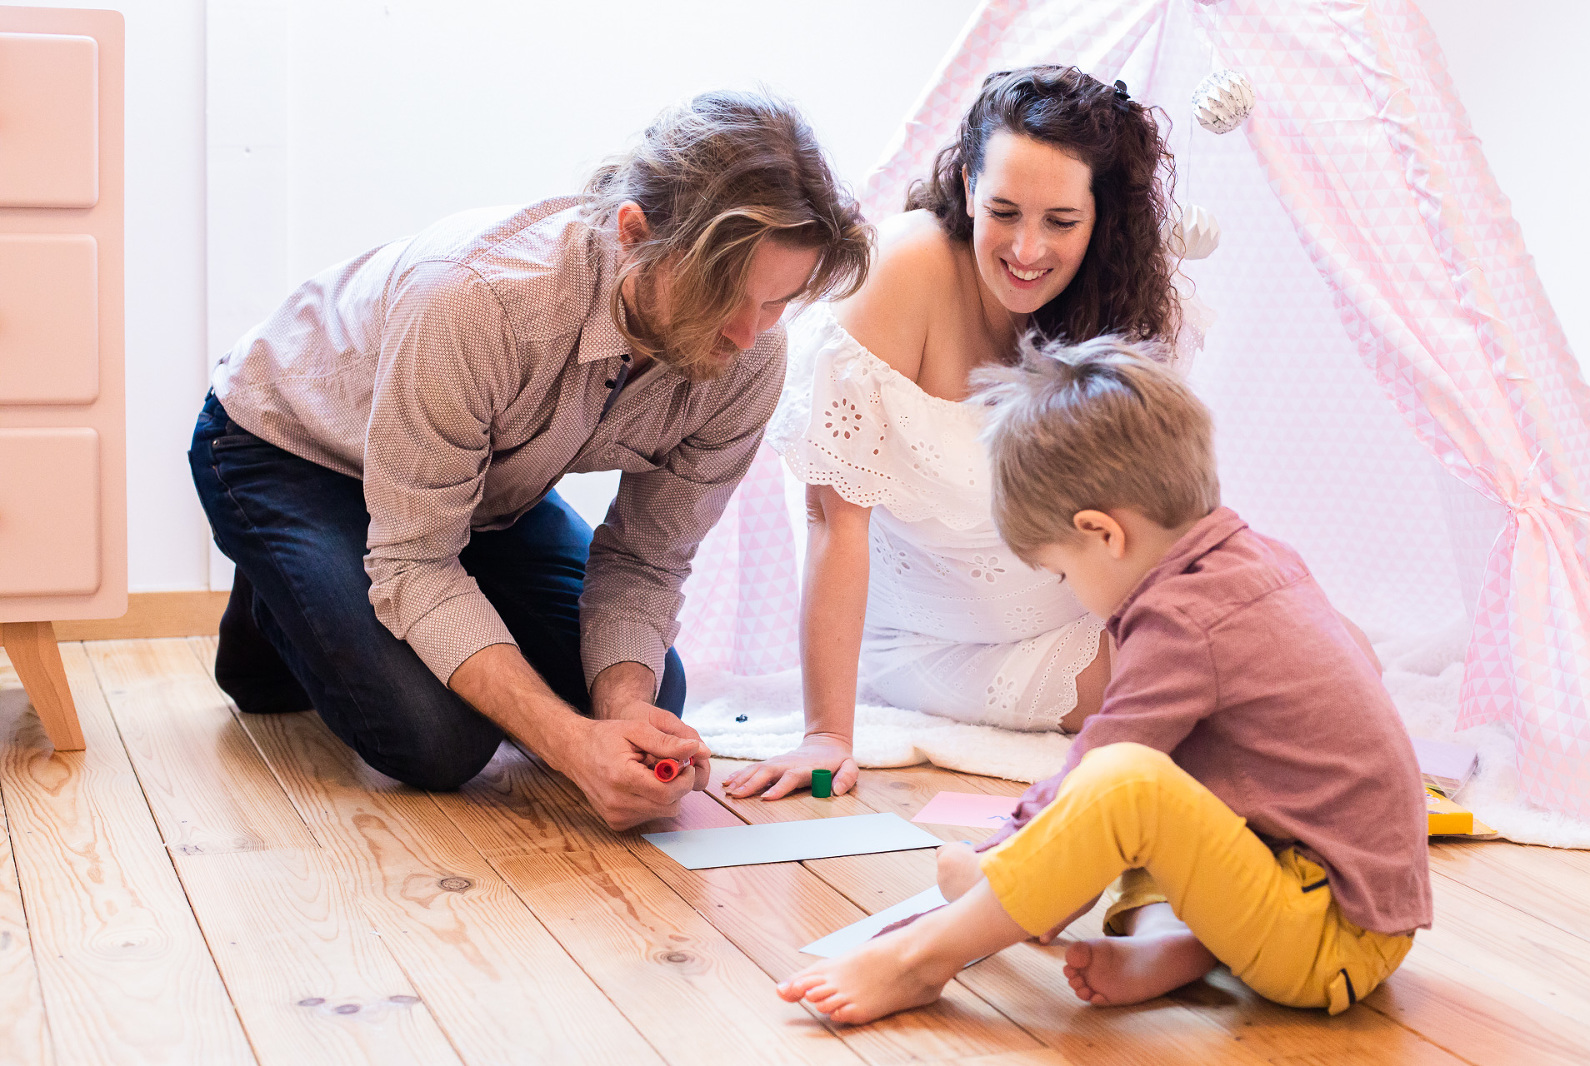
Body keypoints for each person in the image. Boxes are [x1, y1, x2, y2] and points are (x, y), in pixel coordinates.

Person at [189, 91, 871, 829]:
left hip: (479, 489)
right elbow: (416, 561)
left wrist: (619, 717)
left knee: (652, 694)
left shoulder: (752, 354)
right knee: (436, 742)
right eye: (725, 296)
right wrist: (576, 747)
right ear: (635, 234)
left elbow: (646, 562)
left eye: (775, 302)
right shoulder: (479, 297)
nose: (746, 334)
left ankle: (335, 586)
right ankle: (278, 590)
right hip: (287, 447)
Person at [777, 335, 1430, 1022]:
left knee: (1128, 781)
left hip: (1328, 934)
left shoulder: (1186, 620)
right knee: (1167, 781)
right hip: (1315, 889)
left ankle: (921, 959)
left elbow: (1102, 765)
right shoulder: (1249, 558)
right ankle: (1171, 943)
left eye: (1062, 572)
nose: (1072, 592)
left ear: (1104, 534)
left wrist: (1005, 857)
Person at [725, 66, 1182, 801]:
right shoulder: (902, 274)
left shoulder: (1117, 304)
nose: (1026, 250)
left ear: (1101, 221)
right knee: (1205, 689)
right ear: (968, 186)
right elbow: (831, 522)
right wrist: (826, 737)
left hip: (1093, 613)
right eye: (1003, 211)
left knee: (1317, 650)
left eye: (1060, 222)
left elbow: (1152, 521)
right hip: (940, 647)